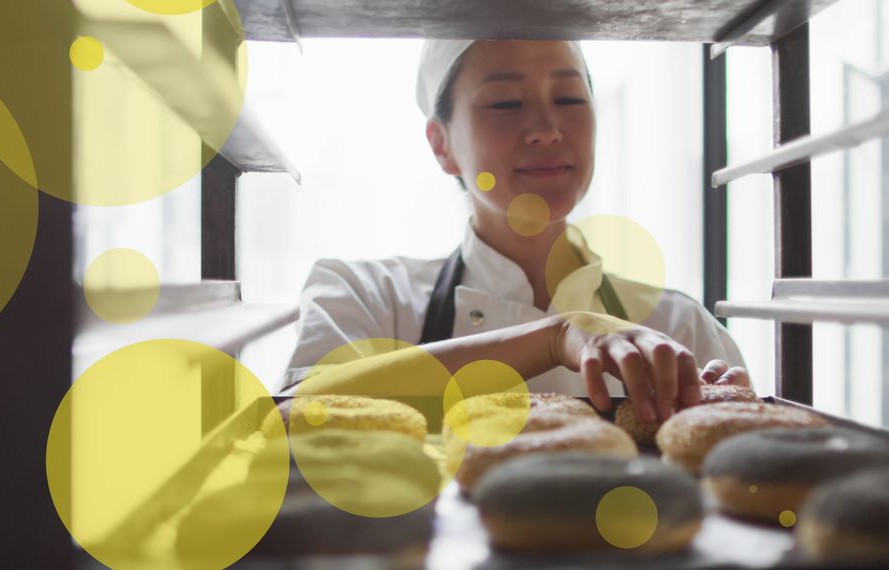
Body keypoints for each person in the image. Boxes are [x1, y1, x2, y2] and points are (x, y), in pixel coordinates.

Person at [279, 39, 748, 423]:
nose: (546, 129)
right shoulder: (368, 297)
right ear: (442, 145)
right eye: (505, 102)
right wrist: (557, 337)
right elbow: (299, 415)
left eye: (568, 98)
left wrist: (726, 419)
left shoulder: (676, 326)